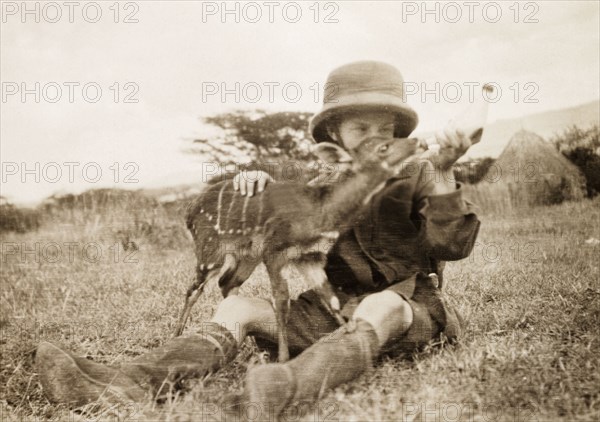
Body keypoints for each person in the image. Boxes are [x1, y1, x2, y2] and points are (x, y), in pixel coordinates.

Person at [36, 61, 480, 419]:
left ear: (397, 135)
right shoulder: (322, 183)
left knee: (379, 304)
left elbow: (452, 247)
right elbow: (283, 218)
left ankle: (289, 387)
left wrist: (444, 173)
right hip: (329, 316)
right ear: (335, 137)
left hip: (408, 310)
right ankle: (126, 383)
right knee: (235, 307)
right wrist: (255, 187)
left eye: (383, 130)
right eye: (359, 129)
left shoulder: (421, 173)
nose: (373, 138)